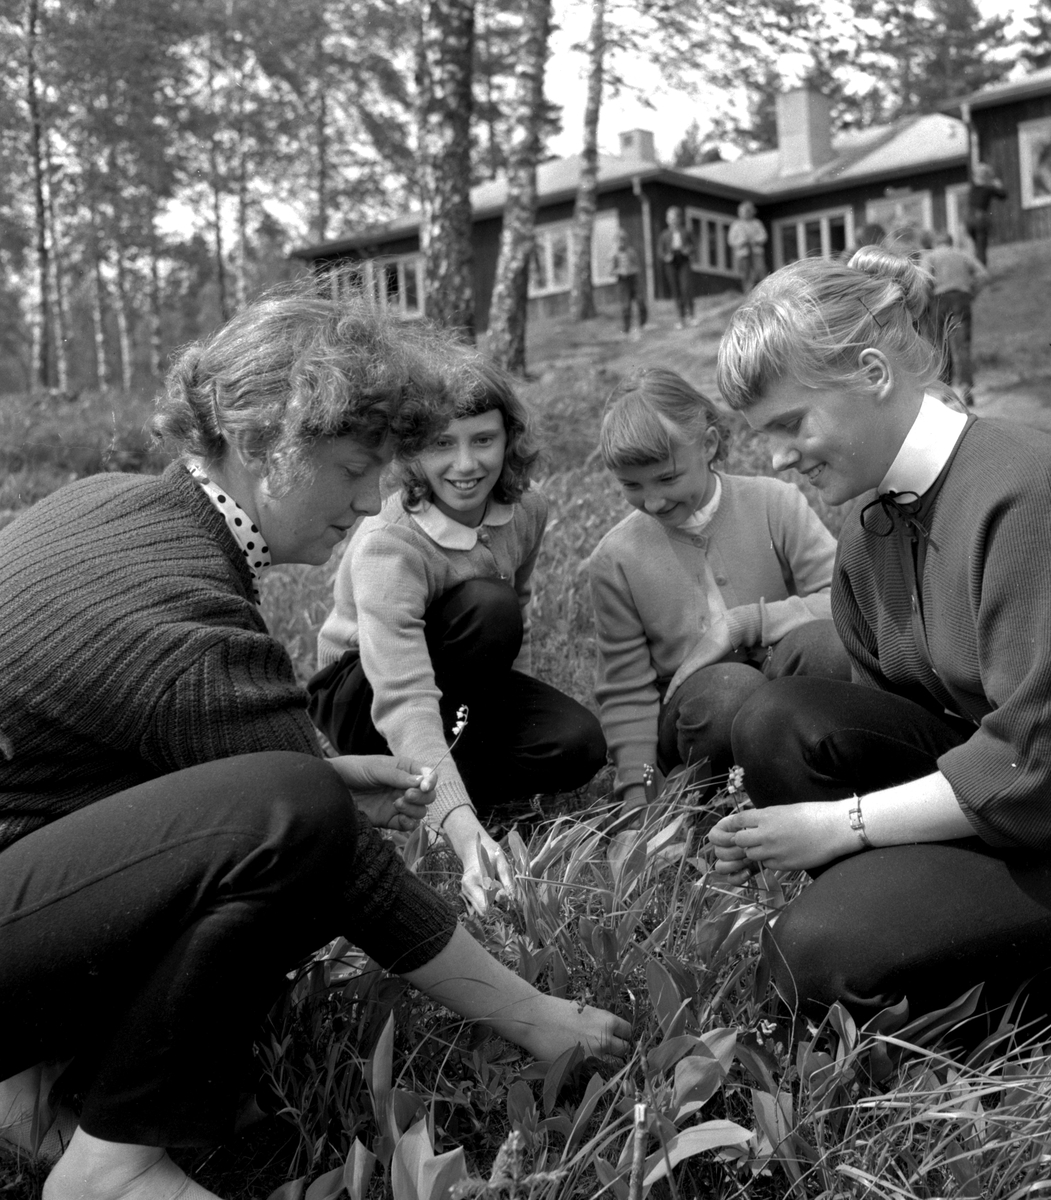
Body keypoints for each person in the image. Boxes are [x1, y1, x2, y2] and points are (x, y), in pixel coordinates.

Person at [0, 287, 630, 1200]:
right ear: (265, 447)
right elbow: (339, 862)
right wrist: (533, 1016)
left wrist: (321, 778)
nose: (376, 496)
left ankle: (36, 1085)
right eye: (351, 468)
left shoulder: (111, 506)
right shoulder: (192, 626)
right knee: (293, 818)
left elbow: (105, 753)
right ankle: (115, 1161)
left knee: (292, 804)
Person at [708, 249, 1051, 1055]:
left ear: (870, 372)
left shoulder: (1023, 490)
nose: (778, 458)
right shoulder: (871, 527)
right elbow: (895, 721)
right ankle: (1031, 967)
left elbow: (1035, 770)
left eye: (790, 424)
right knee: (776, 720)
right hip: (1015, 794)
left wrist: (840, 827)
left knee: (812, 953)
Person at [309, 352, 607, 911]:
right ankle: (430, 789)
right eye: (442, 443)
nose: (466, 464)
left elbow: (511, 621)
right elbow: (403, 693)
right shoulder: (388, 542)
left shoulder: (526, 510)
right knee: (487, 607)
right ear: (410, 453)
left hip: (461, 681)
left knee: (579, 744)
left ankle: (435, 782)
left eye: (483, 440)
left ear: (508, 438)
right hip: (365, 689)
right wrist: (469, 841)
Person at [588, 368, 850, 811]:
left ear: (708, 445)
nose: (652, 501)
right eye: (631, 485)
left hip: (782, 687)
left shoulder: (775, 503)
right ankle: (704, 795)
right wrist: (639, 804)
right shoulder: (616, 559)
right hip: (698, 714)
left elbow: (846, 601)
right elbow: (626, 691)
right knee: (731, 689)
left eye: (668, 478)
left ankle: (822, 774)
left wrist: (744, 624)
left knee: (828, 645)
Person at [922, 232, 989, 406]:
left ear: (937, 242)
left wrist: (928, 297)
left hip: (940, 301)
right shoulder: (962, 255)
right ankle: (966, 388)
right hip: (961, 298)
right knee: (962, 345)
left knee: (941, 345)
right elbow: (982, 274)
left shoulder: (931, 256)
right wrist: (972, 293)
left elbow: (923, 280)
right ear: (951, 242)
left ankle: (946, 391)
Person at [659, 206, 696, 328]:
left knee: (686, 288)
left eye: (675, 218)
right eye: (670, 218)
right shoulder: (664, 234)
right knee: (676, 290)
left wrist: (688, 250)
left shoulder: (686, 232)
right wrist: (666, 257)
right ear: (667, 220)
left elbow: (693, 246)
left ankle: (691, 315)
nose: (673, 220)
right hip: (671, 263)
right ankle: (680, 318)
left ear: (680, 219)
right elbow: (660, 251)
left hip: (683, 260)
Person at [965, 162, 1007, 266]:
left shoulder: (973, 187)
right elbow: (1003, 195)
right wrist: (998, 185)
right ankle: (981, 272)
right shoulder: (989, 188)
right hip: (980, 218)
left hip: (968, 218)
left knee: (975, 247)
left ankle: (975, 270)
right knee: (981, 247)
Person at [610, 228, 648, 338]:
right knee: (625, 306)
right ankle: (627, 329)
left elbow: (638, 267)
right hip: (622, 281)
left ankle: (643, 324)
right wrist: (619, 271)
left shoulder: (631, 252)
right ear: (615, 242)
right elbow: (611, 271)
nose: (621, 243)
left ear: (626, 241)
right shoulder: (614, 255)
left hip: (633, 279)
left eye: (623, 240)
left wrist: (631, 270)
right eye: (618, 241)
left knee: (640, 301)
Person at [728, 201, 768, 293]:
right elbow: (731, 240)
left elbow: (763, 236)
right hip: (743, 253)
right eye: (744, 211)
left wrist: (755, 240)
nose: (746, 213)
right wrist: (742, 241)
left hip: (755, 251)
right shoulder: (736, 225)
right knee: (745, 273)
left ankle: (763, 290)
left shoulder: (757, 223)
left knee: (760, 270)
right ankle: (747, 292)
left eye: (748, 211)